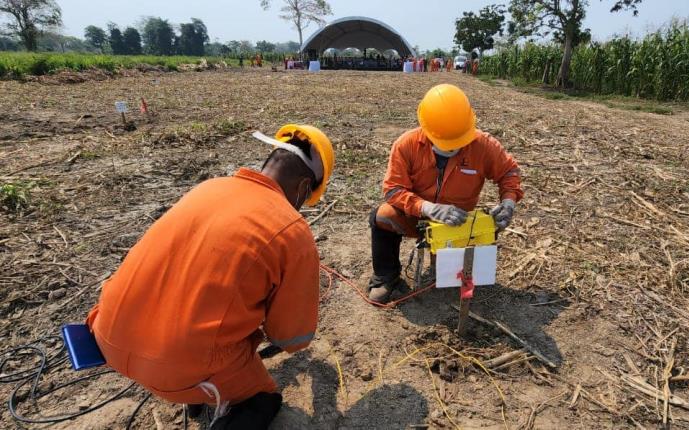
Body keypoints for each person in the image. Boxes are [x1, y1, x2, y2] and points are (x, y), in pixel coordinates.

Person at [86, 124, 335, 429]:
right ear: (303, 187)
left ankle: (193, 391)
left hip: (106, 334)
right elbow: (292, 338)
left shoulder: (209, 187)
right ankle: (198, 390)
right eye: (307, 197)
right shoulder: (292, 230)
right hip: (172, 364)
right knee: (263, 400)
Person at [367, 84, 523, 304]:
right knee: (383, 215)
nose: (452, 149)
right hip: (417, 218)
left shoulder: (483, 145)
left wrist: (508, 202)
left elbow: (509, 172)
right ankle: (386, 276)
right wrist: (428, 208)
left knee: (454, 280)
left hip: (458, 225)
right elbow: (393, 189)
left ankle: (451, 266)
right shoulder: (406, 145)